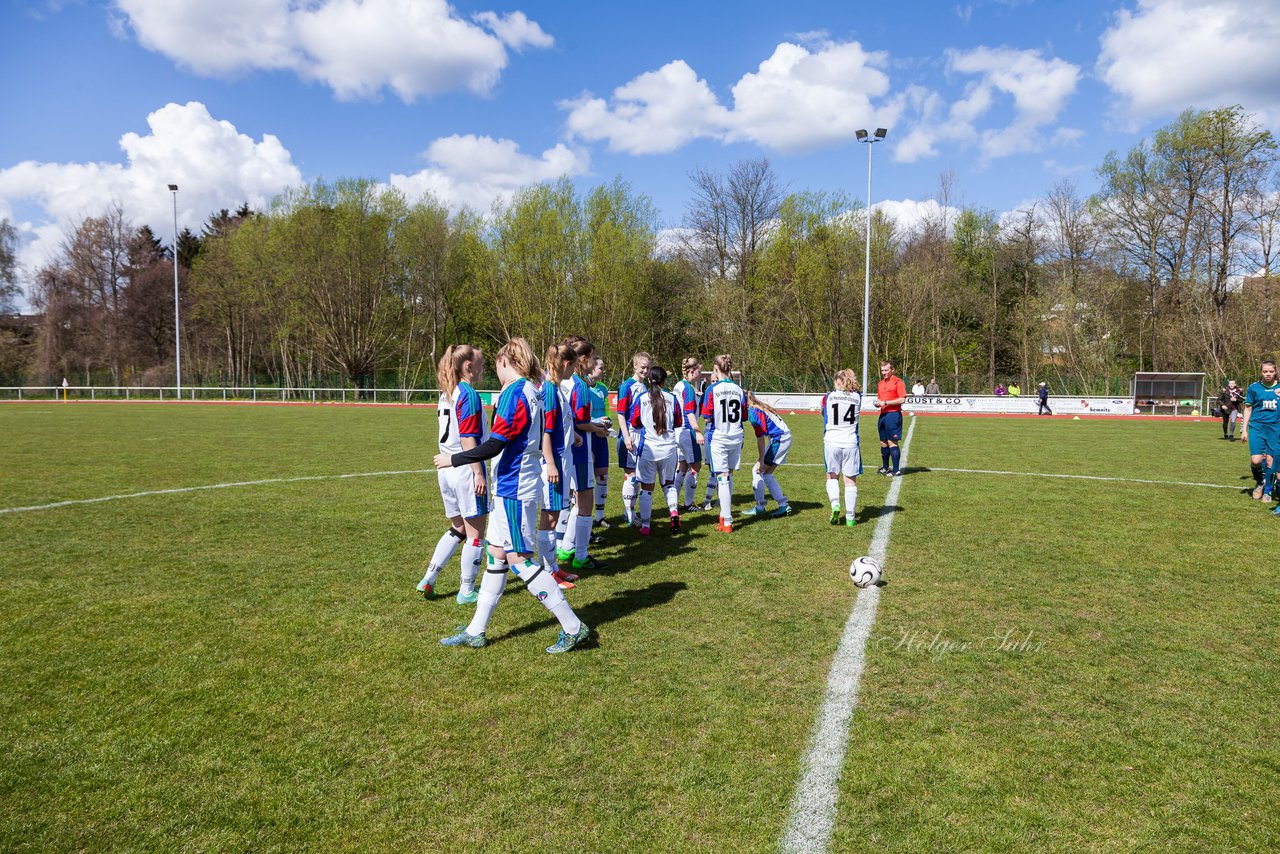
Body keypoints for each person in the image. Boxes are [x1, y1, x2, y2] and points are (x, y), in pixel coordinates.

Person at [434, 337, 590, 654]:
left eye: (496, 365)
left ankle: (573, 627)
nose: (495, 371)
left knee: (520, 560)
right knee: (497, 555)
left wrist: (455, 459)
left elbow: (495, 444)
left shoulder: (515, 393)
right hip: (514, 483)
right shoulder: (532, 390)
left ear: (506, 361)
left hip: (515, 488)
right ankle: (476, 630)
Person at [418, 344, 489, 603]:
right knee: (475, 534)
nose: (484, 369)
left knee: (458, 528)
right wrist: (478, 473)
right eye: (481, 364)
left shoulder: (446, 392)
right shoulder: (467, 394)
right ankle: (467, 590)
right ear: (468, 366)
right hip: (464, 469)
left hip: (446, 470)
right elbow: (469, 438)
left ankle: (429, 578)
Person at [556, 337, 610, 573]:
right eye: (592, 356)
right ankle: (580, 555)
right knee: (584, 501)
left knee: (577, 502)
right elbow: (581, 421)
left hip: (564, 449)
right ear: (583, 359)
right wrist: (598, 428)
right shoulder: (579, 385)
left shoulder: (562, 382)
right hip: (579, 450)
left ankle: (567, 547)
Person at [536, 344, 577, 590]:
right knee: (549, 517)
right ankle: (547, 572)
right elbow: (546, 431)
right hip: (555, 461)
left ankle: (553, 568)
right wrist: (550, 463)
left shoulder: (557, 388)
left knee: (555, 514)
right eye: (573, 365)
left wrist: (575, 437)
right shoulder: (550, 390)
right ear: (565, 364)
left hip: (563, 458)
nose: (574, 370)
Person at [629, 366, 682, 535]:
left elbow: (635, 422)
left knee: (647, 488)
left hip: (649, 450)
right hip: (668, 449)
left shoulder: (641, 397)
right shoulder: (672, 398)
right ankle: (673, 512)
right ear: (664, 381)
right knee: (669, 484)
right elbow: (678, 422)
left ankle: (645, 526)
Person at [701, 354, 747, 532]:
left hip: (720, 437)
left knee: (722, 478)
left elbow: (706, 416)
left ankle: (727, 521)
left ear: (715, 369)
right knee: (728, 476)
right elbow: (743, 416)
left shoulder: (712, 389)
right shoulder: (739, 389)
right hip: (736, 436)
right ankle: (723, 515)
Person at [615, 352, 652, 526]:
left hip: (642, 435)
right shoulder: (627, 386)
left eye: (648, 367)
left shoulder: (644, 386)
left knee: (636, 475)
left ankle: (629, 510)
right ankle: (630, 514)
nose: (645, 370)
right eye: (642, 367)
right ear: (635, 366)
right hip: (630, 434)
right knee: (631, 474)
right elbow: (621, 414)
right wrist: (627, 437)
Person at [823, 369, 863, 526]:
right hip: (850, 442)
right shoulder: (857, 397)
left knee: (832, 475)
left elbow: (823, 413)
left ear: (837, 382)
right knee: (850, 481)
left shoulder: (829, 397)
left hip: (832, 441)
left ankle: (835, 505)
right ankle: (851, 518)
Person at [743, 391, 792, 518]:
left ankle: (760, 507)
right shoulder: (758, 407)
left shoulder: (753, 412)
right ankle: (783, 505)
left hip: (779, 439)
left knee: (757, 470)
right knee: (767, 474)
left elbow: (760, 439)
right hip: (782, 438)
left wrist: (762, 460)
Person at [1241, 359, 1280, 504]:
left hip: (1275, 428)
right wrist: (1244, 429)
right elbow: (1248, 408)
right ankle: (1260, 482)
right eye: (1265, 371)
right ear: (1261, 372)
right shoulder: (1254, 388)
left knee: (1270, 460)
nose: (1268, 374)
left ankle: (1268, 491)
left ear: (1275, 372)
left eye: (1271, 371)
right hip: (1257, 426)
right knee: (1256, 460)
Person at [673, 357, 705, 513]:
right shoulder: (688, 389)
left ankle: (674, 502)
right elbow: (689, 412)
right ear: (692, 371)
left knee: (682, 466)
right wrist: (697, 431)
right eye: (699, 371)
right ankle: (688, 503)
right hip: (687, 431)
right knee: (696, 465)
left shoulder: (678, 385)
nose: (700, 374)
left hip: (678, 431)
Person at [587, 357, 612, 527]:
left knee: (602, 475)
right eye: (601, 368)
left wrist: (607, 422)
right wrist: (597, 421)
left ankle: (600, 516)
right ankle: (583, 516)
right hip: (587, 435)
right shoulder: (582, 387)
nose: (604, 371)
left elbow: (607, 411)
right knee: (586, 479)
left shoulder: (603, 388)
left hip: (601, 436)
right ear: (592, 368)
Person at [873, 360, 906, 476]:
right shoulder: (880, 383)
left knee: (892, 442)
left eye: (886, 370)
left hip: (893, 414)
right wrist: (878, 403)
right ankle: (885, 467)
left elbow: (902, 399)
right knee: (883, 442)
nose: (884, 373)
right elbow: (880, 399)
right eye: (882, 370)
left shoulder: (898, 382)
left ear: (892, 370)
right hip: (883, 415)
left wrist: (886, 402)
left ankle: (896, 469)